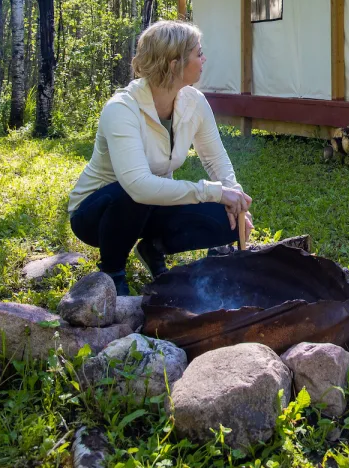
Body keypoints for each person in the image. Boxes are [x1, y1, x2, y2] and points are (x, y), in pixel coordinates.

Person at [68, 20, 252, 295]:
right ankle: (113, 271)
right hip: (97, 213)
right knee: (134, 193)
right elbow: (138, 185)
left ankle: (154, 247)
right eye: (198, 53)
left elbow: (215, 160)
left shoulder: (195, 102)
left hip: (150, 205)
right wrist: (212, 191)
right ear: (173, 62)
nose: (204, 59)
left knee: (224, 221)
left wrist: (234, 198)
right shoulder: (121, 109)